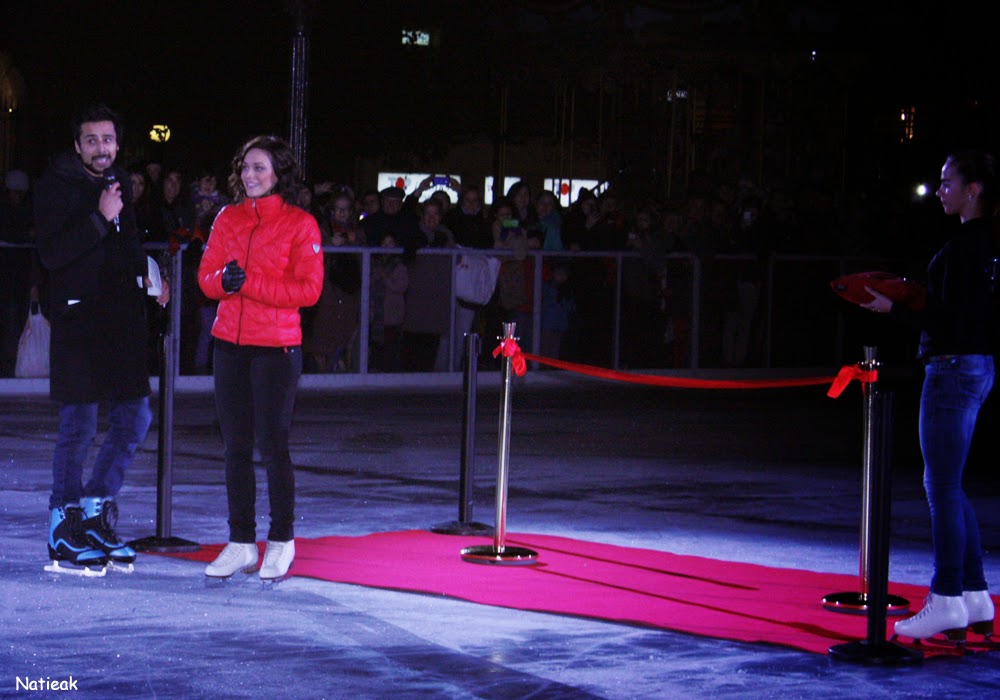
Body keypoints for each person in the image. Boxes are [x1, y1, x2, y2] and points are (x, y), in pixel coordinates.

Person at [863, 150, 998, 642]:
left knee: (940, 486)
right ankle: (974, 595)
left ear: (973, 190)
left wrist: (893, 309)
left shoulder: (964, 246)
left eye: (947, 182)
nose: (940, 190)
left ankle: (946, 598)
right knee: (949, 483)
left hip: (952, 368)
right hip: (977, 366)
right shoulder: (987, 244)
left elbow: (947, 319)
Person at [34, 103, 168, 574]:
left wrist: (148, 274)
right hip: (78, 318)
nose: (100, 148)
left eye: (107, 139)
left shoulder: (120, 182)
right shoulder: (56, 185)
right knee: (80, 424)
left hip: (121, 318)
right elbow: (52, 255)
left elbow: (126, 242)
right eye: (91, 140)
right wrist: (98, 216)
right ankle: (63, 525)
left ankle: (95, 512)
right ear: (77, 145)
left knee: (135, 415)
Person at [197, 135, 323, 581]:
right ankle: (241, 541)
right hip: (229, 345)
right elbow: (205, 276)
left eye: (259, 168)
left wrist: (247, 283)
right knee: (235, 447)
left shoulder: (300, 224)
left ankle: (282, 539)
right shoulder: (227, 217)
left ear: (278, 174)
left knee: (272, 446)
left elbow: (309, 290)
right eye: (245, 167)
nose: (249, 175)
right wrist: (223, 281)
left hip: (276, 348)